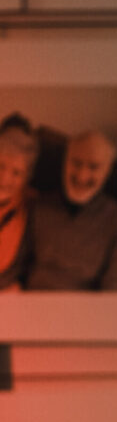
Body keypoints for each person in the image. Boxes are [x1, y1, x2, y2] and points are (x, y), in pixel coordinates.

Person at [25, 130, 117, 291]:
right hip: (30, 298)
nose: (82, 176)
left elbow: (114, 288)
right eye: (76, 163)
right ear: (65, 161)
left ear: (107, 171)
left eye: (93, 167)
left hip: (80, 304)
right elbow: (18, 265)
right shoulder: (39, 205)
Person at [0, 118, 39, 292]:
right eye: (0, 166)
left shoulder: (33, 206)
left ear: (27, 177)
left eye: (16, 173)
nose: (4, 179)